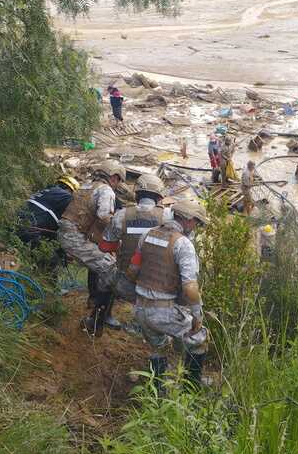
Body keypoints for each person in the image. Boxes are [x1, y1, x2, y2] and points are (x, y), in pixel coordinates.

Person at [127, 200, 210, 386]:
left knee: (158, 347)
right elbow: (190, 288)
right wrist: (197, 315)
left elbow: (132, 271)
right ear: (188, 220)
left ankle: (157, 389)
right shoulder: (183, 244)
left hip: (140, 309)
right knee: (199, 339)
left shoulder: (147, 235)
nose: (196, 226)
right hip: (163, 311)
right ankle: (192, 387)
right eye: (196, 222)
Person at [58, 161, 125, 333]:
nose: (117, 185)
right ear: (114, 177)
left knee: (102, 262)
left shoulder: (86, 186)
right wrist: (123, 228)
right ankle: (99, 320)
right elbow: (104, 216)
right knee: (110, 268)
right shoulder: (106, 190)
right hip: (75, 238)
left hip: (69, 234)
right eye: (118, 181)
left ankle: (94, 303)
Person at [99, 174, 166, 317]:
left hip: (126, 282)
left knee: (104, 273)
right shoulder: (168, 217)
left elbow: (105, 247)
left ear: (136, 194)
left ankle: (97, 320)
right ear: (160, 197)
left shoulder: (121, 215)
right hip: (156, 288)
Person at [16, 175, 79, 247]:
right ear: (69, 189)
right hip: (28, 231)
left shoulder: (45, 191)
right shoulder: (66, 196)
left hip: (17, 221)